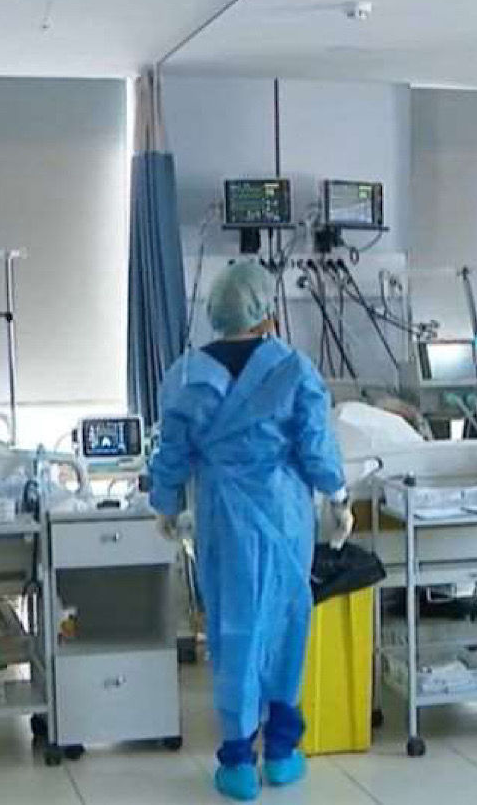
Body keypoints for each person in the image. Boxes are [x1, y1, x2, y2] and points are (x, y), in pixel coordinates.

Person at [149, 260, 353, 802]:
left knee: (233, 629)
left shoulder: (186, 376)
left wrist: (165, 506)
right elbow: (317, 450)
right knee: (286, 623)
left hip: (223, 518)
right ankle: (282, 753)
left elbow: (171, 454)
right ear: (268, 312)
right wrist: (338, 497)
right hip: (284, 516)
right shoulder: (294, 370)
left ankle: (238, 759)